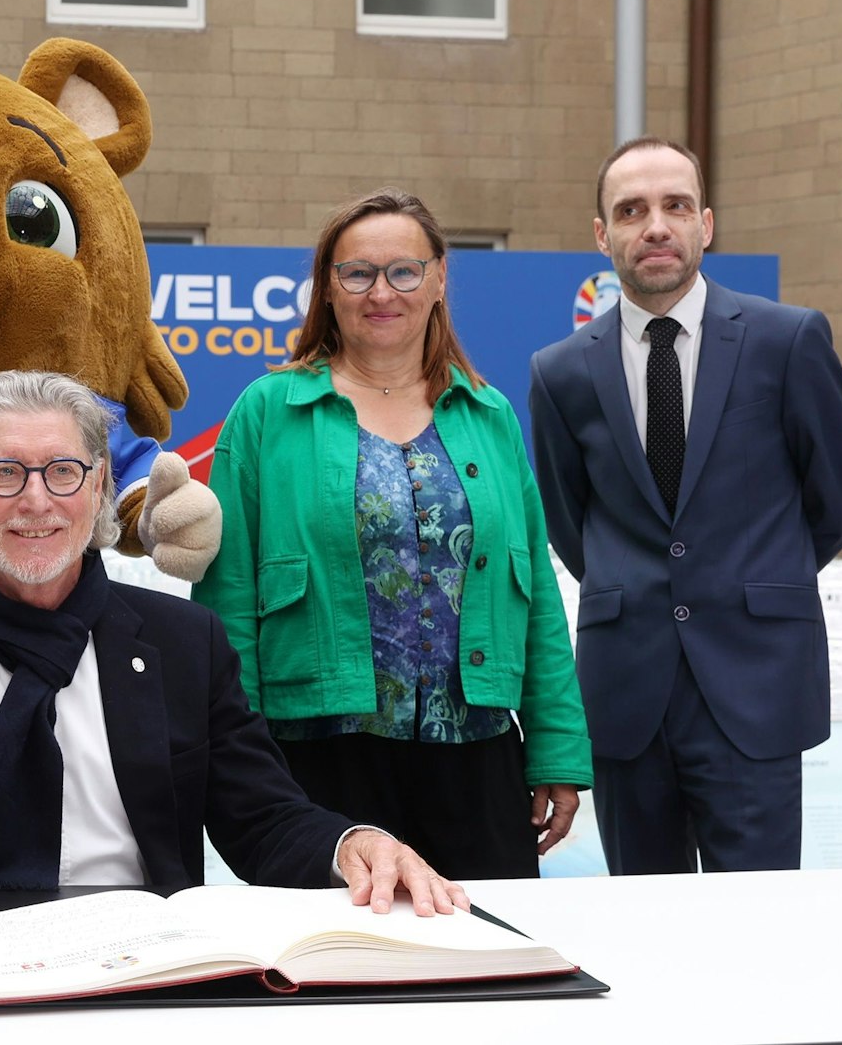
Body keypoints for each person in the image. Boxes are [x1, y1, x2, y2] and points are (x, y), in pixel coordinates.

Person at [0, 370, 467, 940]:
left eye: (62, 471)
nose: (35, 502)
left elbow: (262, 821)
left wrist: (354, 844)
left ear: (100, 488)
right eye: (3, 474)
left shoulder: (183, 644)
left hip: (147, 966)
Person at [192, 188, 592, 882]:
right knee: (338, 971)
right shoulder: (267, 412)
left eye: (403, 271)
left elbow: (534, 602)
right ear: (327, 287)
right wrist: (240, 763)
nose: (381, 291)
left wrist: (556, 750)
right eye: (356, 273)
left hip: (475, 753)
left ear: (437, 280)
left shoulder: (486, 414)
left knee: (486, 965)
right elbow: (227, 602)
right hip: (317, 758)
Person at [527, 137, 842, 874]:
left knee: (763, 926)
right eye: (631, 210)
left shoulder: (787, 341)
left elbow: (836, 501)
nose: (654, 226)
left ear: (704, 224)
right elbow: (569, 521)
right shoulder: (559, 374)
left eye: (674, 206)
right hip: (628, 696)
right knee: (647, 924)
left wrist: (751, 577)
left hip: (755, 687)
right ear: (601, 234)